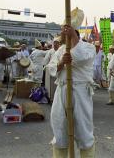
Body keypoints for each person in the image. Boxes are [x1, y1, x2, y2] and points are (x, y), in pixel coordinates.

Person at [48, 24, 96, 157]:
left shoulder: (88, 47)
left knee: (83, 129)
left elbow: (81, 58)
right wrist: (61, 63)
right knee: (59, 126)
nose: (66, 37)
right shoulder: (60, 50)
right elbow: (51, 69)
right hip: (62, 89)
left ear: (76, 34)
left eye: (69, 34)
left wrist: (73, 38)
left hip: (80, 91)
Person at [43, 37, 61, 101]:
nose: (56, 44)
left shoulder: (61, 51)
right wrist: (47, 67)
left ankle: (56, 99)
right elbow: (46, 61)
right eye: (55, 43)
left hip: (59, 70)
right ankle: (49, 97)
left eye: (57, 43)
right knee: (50, 86)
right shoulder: (50, 51)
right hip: (50, 70)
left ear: (59, 44)